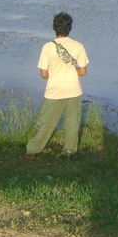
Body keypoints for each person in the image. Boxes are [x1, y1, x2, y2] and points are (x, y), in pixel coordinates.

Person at [21, 12, 89, 159]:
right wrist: (70, 70)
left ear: (54, 28)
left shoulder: (47, 47)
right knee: (72, 124)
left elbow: (44, 74)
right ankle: (69, 152)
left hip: (54, 91)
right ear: (70, 27)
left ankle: (32, 151)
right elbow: (83, 71)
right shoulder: (78, 46)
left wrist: (56, 74)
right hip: (73, 90)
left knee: (45, 123)